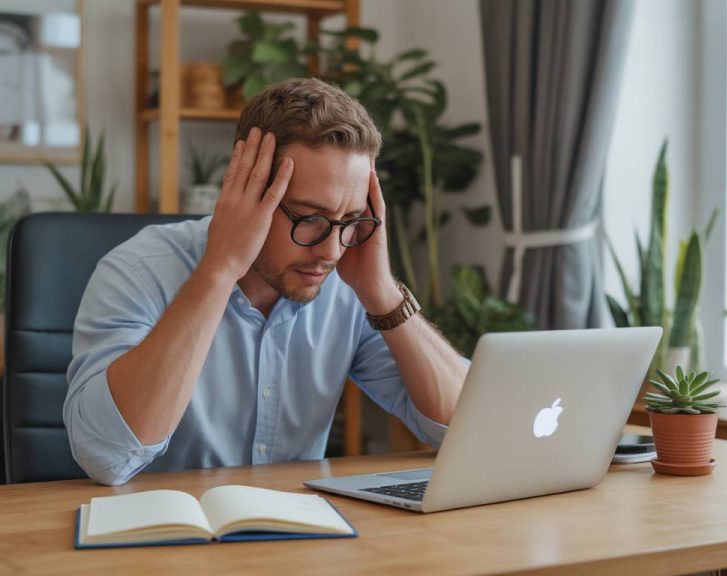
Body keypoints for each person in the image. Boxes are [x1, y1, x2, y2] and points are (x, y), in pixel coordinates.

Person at [64, 78, 468, 486]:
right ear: (247, 192)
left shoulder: (348, 285)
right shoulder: (137, 270)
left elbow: (467, 430)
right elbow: (108, 457)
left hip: (297, 534)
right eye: (309, 217)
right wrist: (219, 271)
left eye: (350, 221)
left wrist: (383, 292)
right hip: (156, 535)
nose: (331, 250)